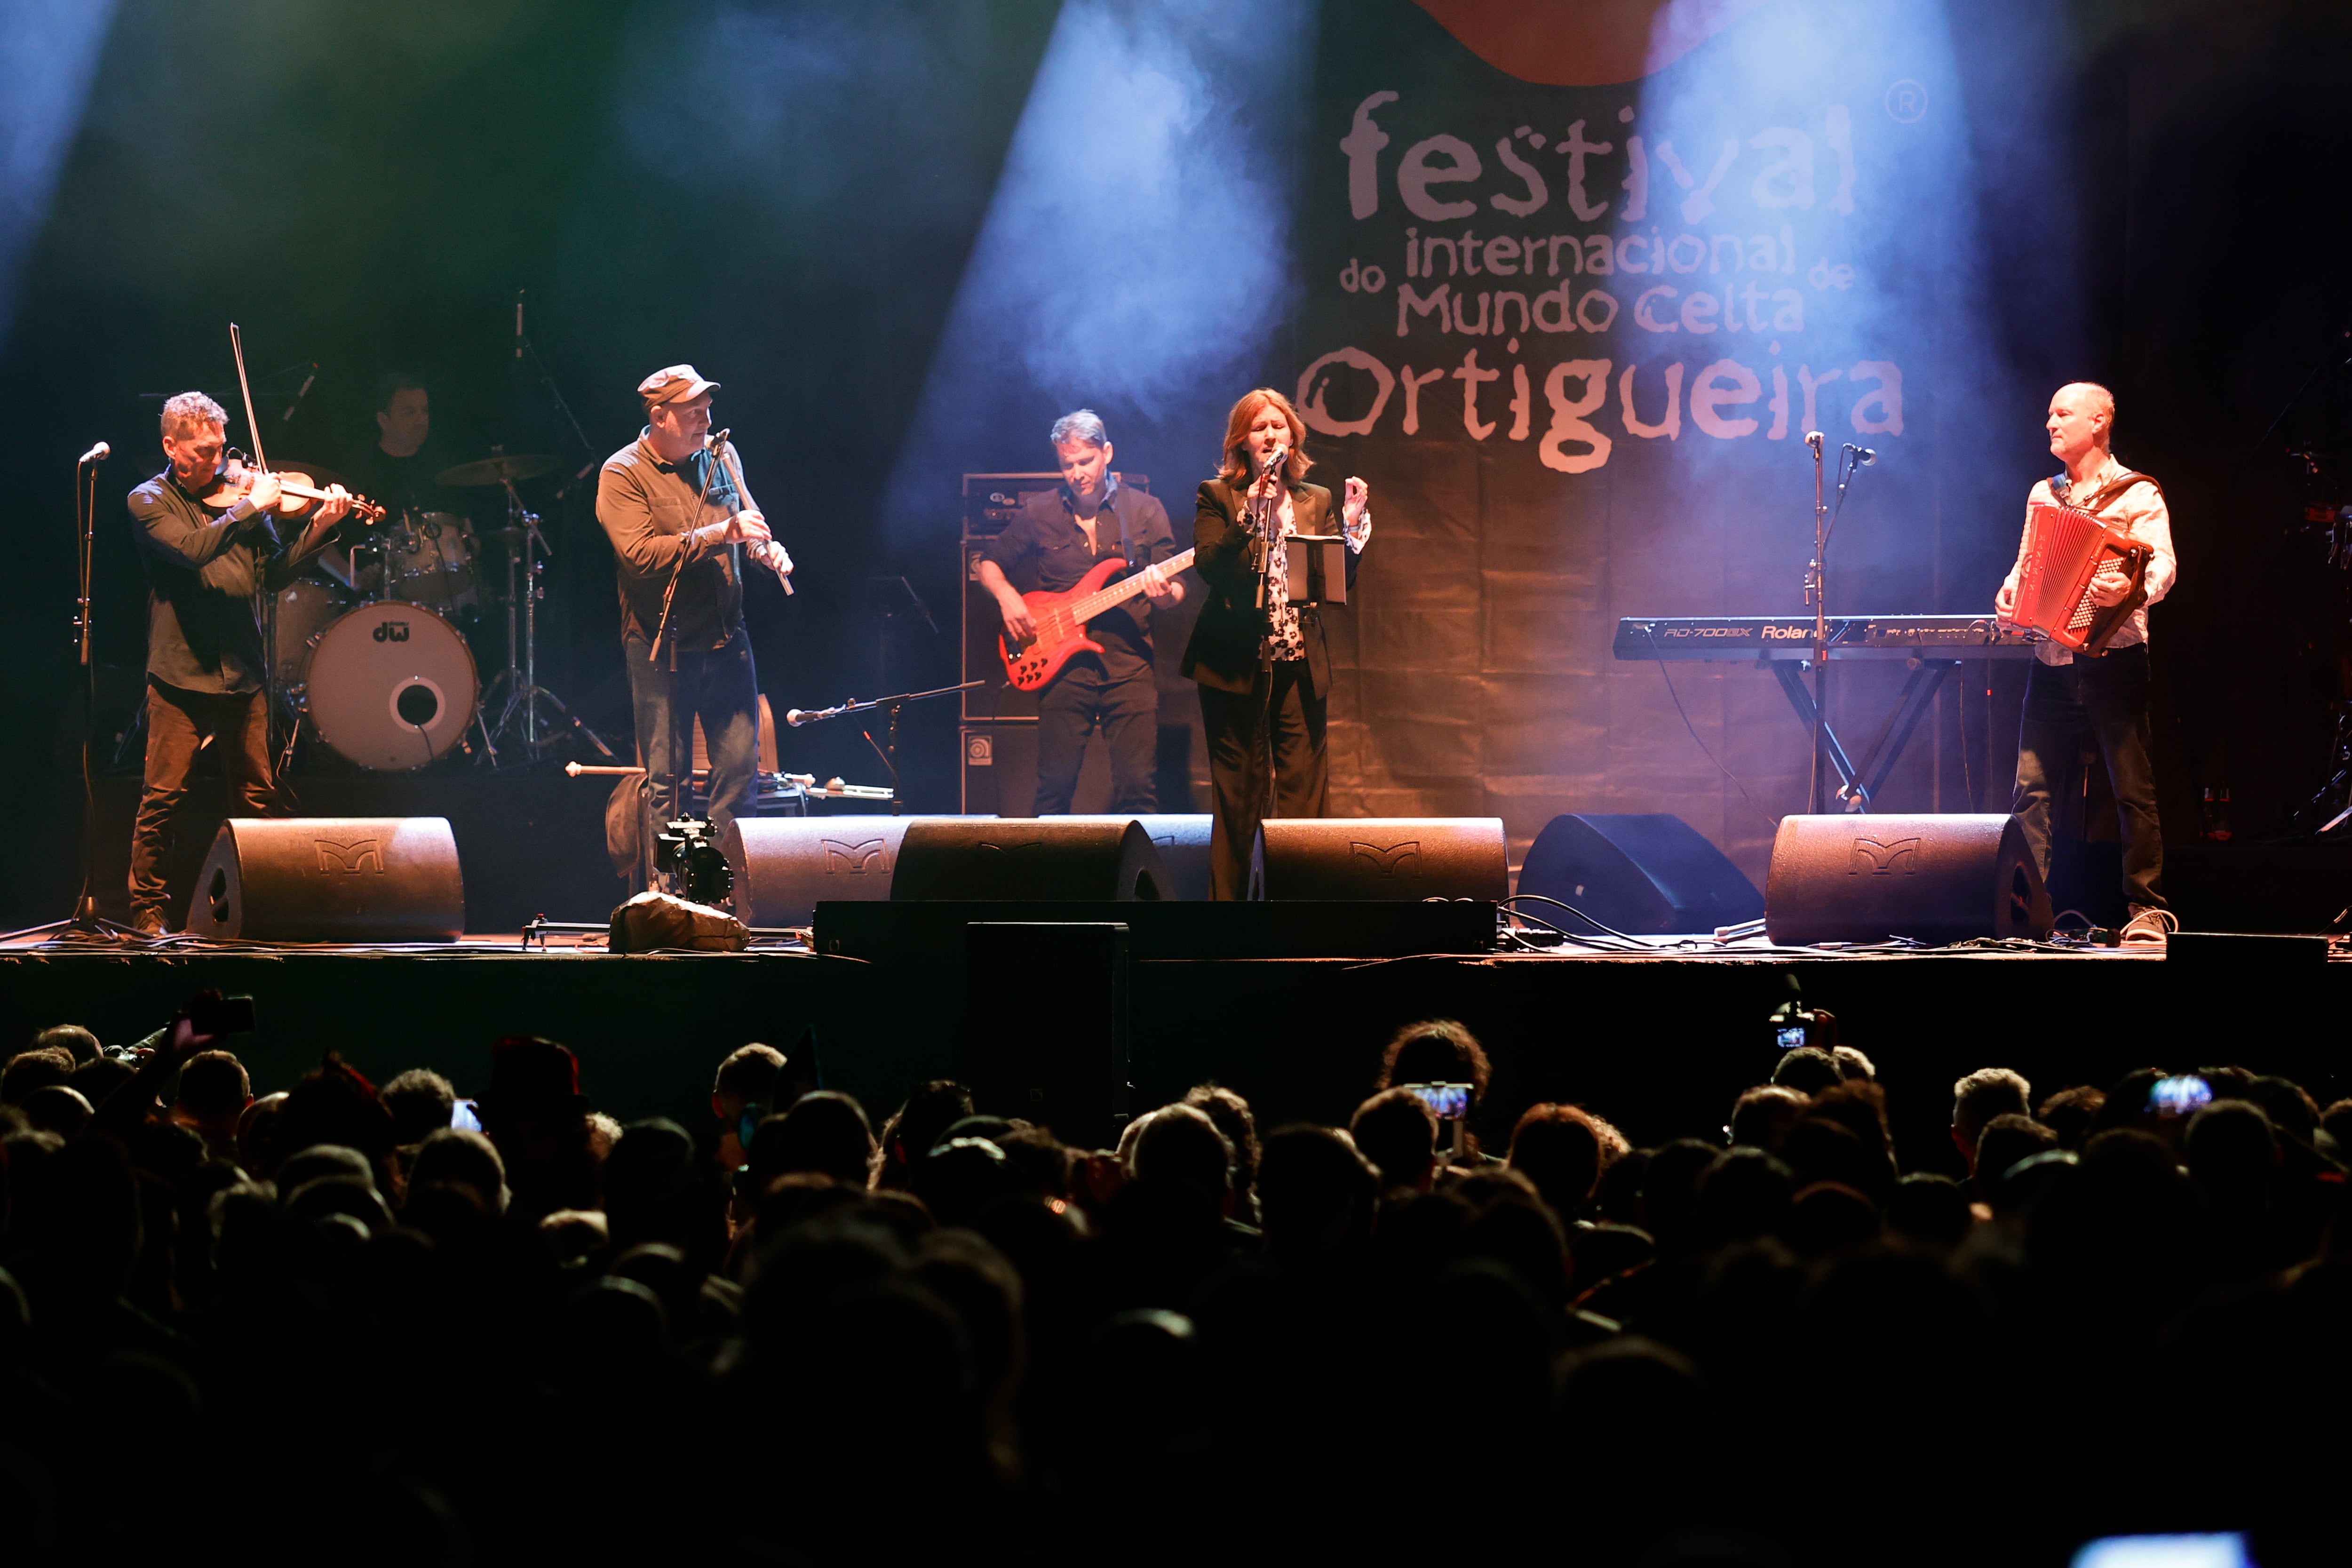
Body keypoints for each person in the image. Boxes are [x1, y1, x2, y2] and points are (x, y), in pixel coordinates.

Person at [126, 392, 353, 934]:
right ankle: (147, 911)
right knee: (162, 800)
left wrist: (319, 528)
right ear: (171, 446)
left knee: (257, 797)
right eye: (203, 451)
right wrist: (248, 507)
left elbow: (272, 575)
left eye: (221, 449)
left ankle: (262, 906)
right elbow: (192, 551)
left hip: (243, 671)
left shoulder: (240, 497)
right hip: (181, 672)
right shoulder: (148, 500)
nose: (217, 461)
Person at [1996, 382, 2177, 945]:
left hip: (2115, 657)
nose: (2049, 422)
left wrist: (2125, 590)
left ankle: (2146, 910)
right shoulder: (2042, 494)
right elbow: (2027, 565)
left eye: (2062, 413)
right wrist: (2007, 596)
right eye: (2048, 412)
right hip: (2050, 659)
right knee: (2032, 791)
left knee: (2130, 790)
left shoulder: (2136, 494)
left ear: (2099, 422)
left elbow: (2163, 567)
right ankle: (2024, 911)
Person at [595, 366, 792, 872]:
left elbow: (746, 527)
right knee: (670, 780)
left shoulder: (723, 456)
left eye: (707, 409)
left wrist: (764, 550)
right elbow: (638, 555)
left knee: (738, 772)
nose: (706, 419)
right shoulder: (622, 473)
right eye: (693, 412)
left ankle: (720, 884)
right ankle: (675, 887)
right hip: (663, 644)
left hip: (728, 637)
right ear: (660, 417)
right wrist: (720, 533)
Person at [1185, 390, 1372, 899]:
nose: (1271, 435)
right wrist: (1250, 515)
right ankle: (1228, 921)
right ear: (1241, 442)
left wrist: (1351, 530)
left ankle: (1302, 913)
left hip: (1299, 662)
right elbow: (1210, 569)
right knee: (1239, 797)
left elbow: (1338, 582)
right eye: (1259, 428)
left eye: (1279, 427)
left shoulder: (1316, 500)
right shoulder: (1216, 496)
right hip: (1234, 665)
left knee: (1304, 793)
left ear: (1293, 437)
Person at [977, 410, 1184, 814]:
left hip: (1129, 667)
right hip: (1063, 669)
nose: (1076, 473)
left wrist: (1163, 594)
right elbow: (989, 563)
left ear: (1106, 453)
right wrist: (1007, 595)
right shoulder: (1041, 512)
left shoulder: (1143, 510)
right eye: (1067, 465)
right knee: (1053, 789)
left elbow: (1175, 587)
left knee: (1137, 787)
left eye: (1085, 461)